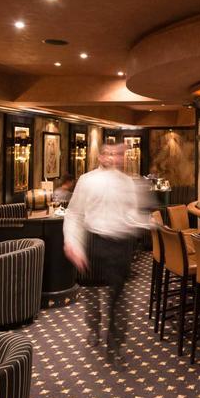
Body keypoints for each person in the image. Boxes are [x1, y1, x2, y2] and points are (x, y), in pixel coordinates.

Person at [63, 143, 144, 364]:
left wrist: (141, 222)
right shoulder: (86, 180)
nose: (112, 157)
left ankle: (115, 345)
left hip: (120, 244)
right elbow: (74, 214)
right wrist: (72, 242)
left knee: (118, 297)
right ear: (99, 156)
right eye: (107, 153)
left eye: (116, 154)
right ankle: (93, 326)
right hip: (94, 241)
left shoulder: (127, 182)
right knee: (92, 294)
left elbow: (132, 213)